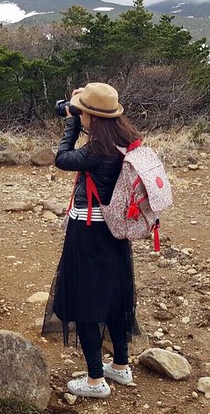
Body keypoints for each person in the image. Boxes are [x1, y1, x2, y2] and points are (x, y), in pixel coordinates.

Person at [44, 82, 141, 398]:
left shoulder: (96, 150)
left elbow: (62, 157)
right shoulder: (125, 141)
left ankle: (96, 380)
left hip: (88, 233)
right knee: (113, 296)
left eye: (83, 113)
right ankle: (121, 367)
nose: (79, 116)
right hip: (115, 232)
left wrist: (71, 121)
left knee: (86, 301)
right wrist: (78, 110)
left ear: (92, 117)